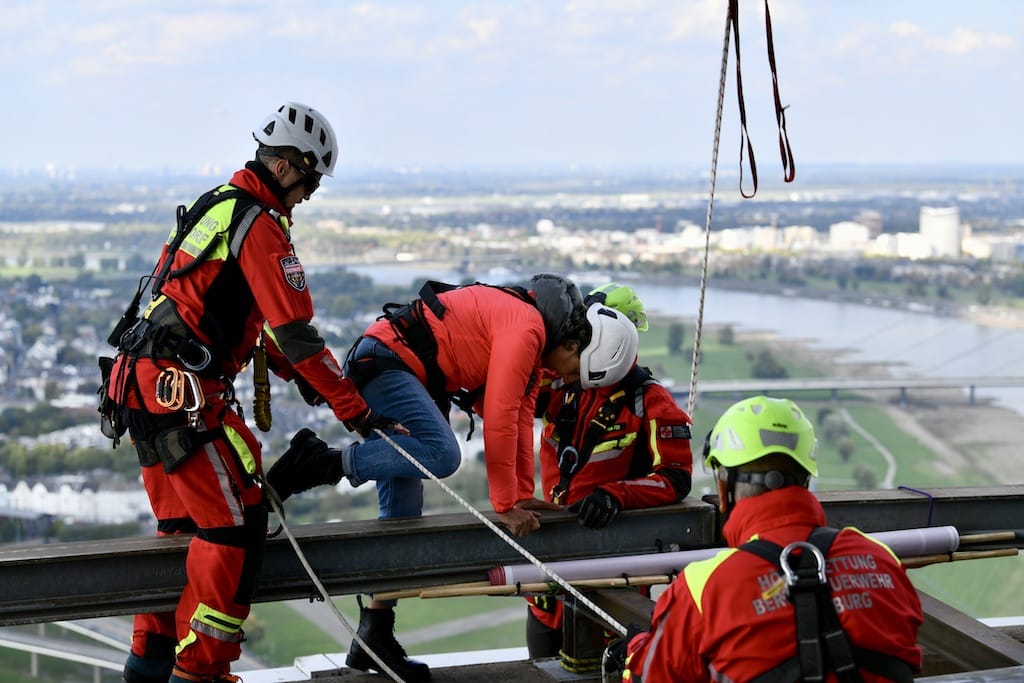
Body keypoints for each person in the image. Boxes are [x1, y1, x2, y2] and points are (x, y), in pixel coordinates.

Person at [104, 103, 397, 683]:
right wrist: (356, 410)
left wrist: (300, 378)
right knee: (236, 526)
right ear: (285, 166)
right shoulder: (259, 225)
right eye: (310, 180)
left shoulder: (217, 206)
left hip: (141, 388)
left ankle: (149, 665)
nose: (310, 195)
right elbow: (296, 334)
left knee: (182, 529)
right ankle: (200, 672)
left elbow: (226, 318)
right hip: (183, 396)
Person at [266, 278, 641, 681]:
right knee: (442, 454)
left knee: (402, 515)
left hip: (394, 366)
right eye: (574, 369)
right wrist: (503, 505)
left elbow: (517, 418)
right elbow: (498, 417)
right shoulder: (527, 328)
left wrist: (520, 495)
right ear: (572, 345)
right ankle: (319, 461)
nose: (565, 376)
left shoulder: (534, 338)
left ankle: (374, 636)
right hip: (385, 363)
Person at [611, 396, 923, 682]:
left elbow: (651, 677)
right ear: (806, 479)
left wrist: (637, 648)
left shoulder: (705, 587)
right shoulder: (882, 560)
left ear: (724, 488)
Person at [526, 285, 694, 667]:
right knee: (541, 668)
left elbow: (675, 477)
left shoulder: (650, 402)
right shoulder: (562, 384)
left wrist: (616, 495)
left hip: (614, 573)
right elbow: (512, 391)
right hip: (550, 572)